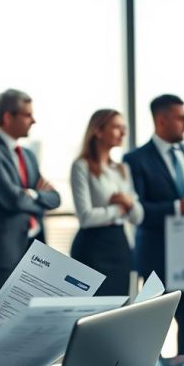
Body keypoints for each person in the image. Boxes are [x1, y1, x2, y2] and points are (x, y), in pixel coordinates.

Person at [123, 95, 184, 356]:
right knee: (152, 329)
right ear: (161, 120)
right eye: (180, 117)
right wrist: (177, 207)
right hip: (155, 257)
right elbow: (138, 212)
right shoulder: (135, 160)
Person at [0, 89, 61, 303]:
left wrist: (31, 194)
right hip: (0, 254)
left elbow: (56, 198)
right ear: (8, 117)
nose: (34, 120)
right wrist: (39, 196)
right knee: (0, 320)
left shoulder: (28, 155)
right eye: (28, 115)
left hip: (32, 251)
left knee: (30, 321)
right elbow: (11, 200)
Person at [69, 109, 143, 296]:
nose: (123, 133)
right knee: (92, 308)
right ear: (98, 131)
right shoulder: (81, 166)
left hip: (120, 246)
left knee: (120, 305)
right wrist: (120, 208)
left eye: (124, 128)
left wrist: (129, 203)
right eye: (117, 127)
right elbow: (85, 217)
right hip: (92, 248)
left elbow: (138, 216)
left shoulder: (122, 169)